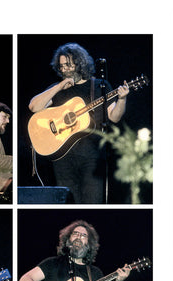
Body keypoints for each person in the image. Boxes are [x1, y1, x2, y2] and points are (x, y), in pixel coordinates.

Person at [28, 43, 129, 203]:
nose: (64, 70)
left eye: (68, 65)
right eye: (61, 66)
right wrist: (59, 86)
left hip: (92, 157)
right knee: (67, 204)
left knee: (93, 203)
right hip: (62, 159)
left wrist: (122, 99)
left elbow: (114, 117)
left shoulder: (100, 86)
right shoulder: (58, 88)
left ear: (80, 63)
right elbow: (34, 106)